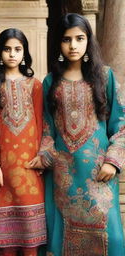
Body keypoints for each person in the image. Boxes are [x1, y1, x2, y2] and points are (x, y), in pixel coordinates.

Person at [38, 13, 125, 255]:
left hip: (99, 174)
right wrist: (44, 155)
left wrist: (113, 161)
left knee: (112, 237)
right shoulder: (50, 82)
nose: (73, 45)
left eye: (79, 38)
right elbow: (47, 128)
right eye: (67, 40)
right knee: (63, 237)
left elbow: (121, 124)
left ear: (88, 41)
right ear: (59, 43)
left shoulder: (104, 76)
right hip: (63, 175)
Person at [0, 28, 46, 256]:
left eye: (18, 49)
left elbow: (41, 122)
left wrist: (42, 156)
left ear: (25, 53)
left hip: (30, 166)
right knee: (4, 245)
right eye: (7, 49)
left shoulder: (35, 85)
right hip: (1, 170)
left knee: (31, 237)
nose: (12, 54)